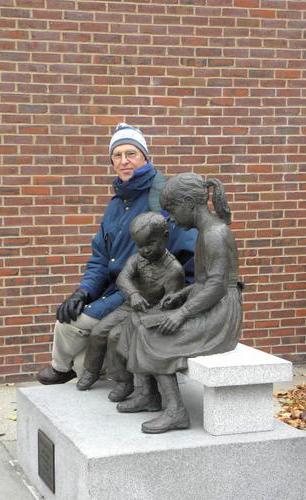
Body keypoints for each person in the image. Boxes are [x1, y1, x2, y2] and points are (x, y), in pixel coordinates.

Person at [37, 124, 197, 385]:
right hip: (116, 288)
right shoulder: (115, 205)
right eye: (117, 155)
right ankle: (82, 368)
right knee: (80, 352)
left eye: (131, 153)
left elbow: (188, 253)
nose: (124, 161)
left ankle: (61, 368)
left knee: (69, 324)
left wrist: (176, 300)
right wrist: (84, 291)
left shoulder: (162, 199)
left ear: (145, 156)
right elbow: (100, 257)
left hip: (144, 292)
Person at [116, 173, 243, 434]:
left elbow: (218, 286)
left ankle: (176, 412)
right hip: (206, 303)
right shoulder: (206, 232)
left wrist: (182, 313)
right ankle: (148, 395)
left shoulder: (215, 234)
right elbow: (206, 282)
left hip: (221, 315)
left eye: (172, 209)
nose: (171, 217)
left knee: (154, 335)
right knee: (136, 321)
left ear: (188, 203)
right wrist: (183, 294)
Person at [76, 212, 186, 402]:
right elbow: (123, 278)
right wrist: (133, 294)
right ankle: (91, 370)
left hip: (150, 314)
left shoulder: (174, 270)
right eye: (140, 245)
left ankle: (124, 381)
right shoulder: (137, 259)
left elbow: (169, 305)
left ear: (165, 237)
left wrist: (151, 312)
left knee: (115, 337)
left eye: (150, 244)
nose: (145, 250)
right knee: (98, 331)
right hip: (130, 306)